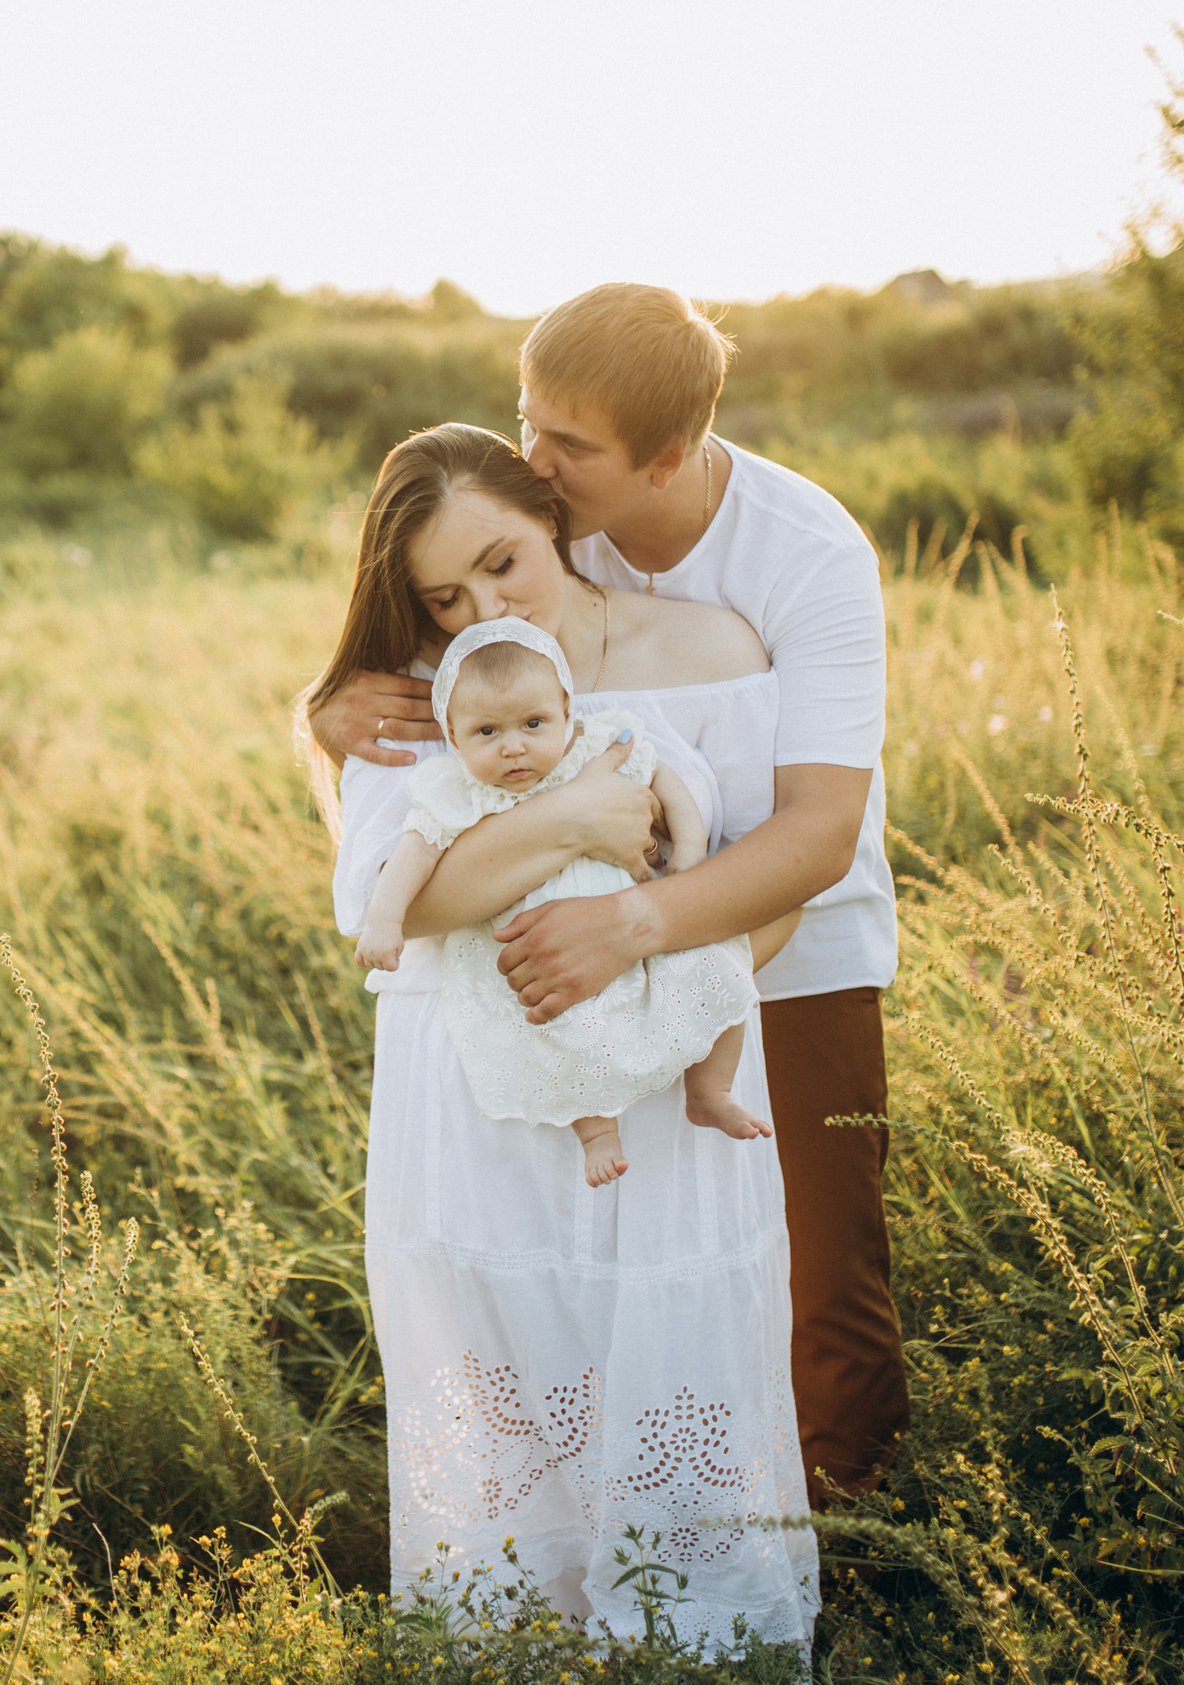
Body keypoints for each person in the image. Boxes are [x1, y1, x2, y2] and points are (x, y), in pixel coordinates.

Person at [308, 284, 908, 1512]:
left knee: (818, 1263)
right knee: (590, 1264)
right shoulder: (525, 535)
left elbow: (811, 833)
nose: (538, 461)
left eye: (567, 446)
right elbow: (410, 628)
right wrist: (314, 722)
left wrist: (632, 931)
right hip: (552, 962)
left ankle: (849, 1529)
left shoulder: (798, 556)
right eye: (529, 426)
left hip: (791, 922)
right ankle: (603, 1524)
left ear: (667, 458)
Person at [311, 422, 818, 1650]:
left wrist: (658, 997)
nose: (482, 607)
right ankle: (512, 1643)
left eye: (501, 563)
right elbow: (385, 900)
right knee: (505, 1368)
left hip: (658, 1068)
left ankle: (691, 1649)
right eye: (443, 593)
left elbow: (773, 878)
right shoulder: (426, 697)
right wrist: (578, 818)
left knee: (670, 1352)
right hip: (476, 1080)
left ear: (552, 517)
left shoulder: (707, 649)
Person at [354, 618, 777, 1190]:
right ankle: (597, 1132)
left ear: (565, 713)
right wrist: (384, 918)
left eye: (533, 723)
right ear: (452, 736)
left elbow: (667, 784)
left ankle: (710, 1090)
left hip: (636, 922)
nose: (514, 746)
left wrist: (689, 855)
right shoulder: (459, 791)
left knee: (718, 970)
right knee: (553, 1027)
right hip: (537, 946)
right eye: (486, 732)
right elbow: (414, 855)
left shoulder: (600, 747)